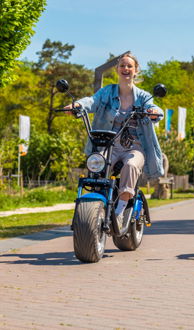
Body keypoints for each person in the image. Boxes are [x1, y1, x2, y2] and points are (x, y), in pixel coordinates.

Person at [64, 53, 164, 226]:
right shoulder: (107, 92)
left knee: (131, 165)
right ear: (117, 69)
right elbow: (92, 101)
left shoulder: (143, 96)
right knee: (96, 164)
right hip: (109, 145)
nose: (126, 69)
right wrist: (77, 105)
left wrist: (155, 112)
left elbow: (154, 108)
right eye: (122, 66)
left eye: (129, 66)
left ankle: (120, 211)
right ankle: (96, 207)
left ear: (136, 71)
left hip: (135, 147)